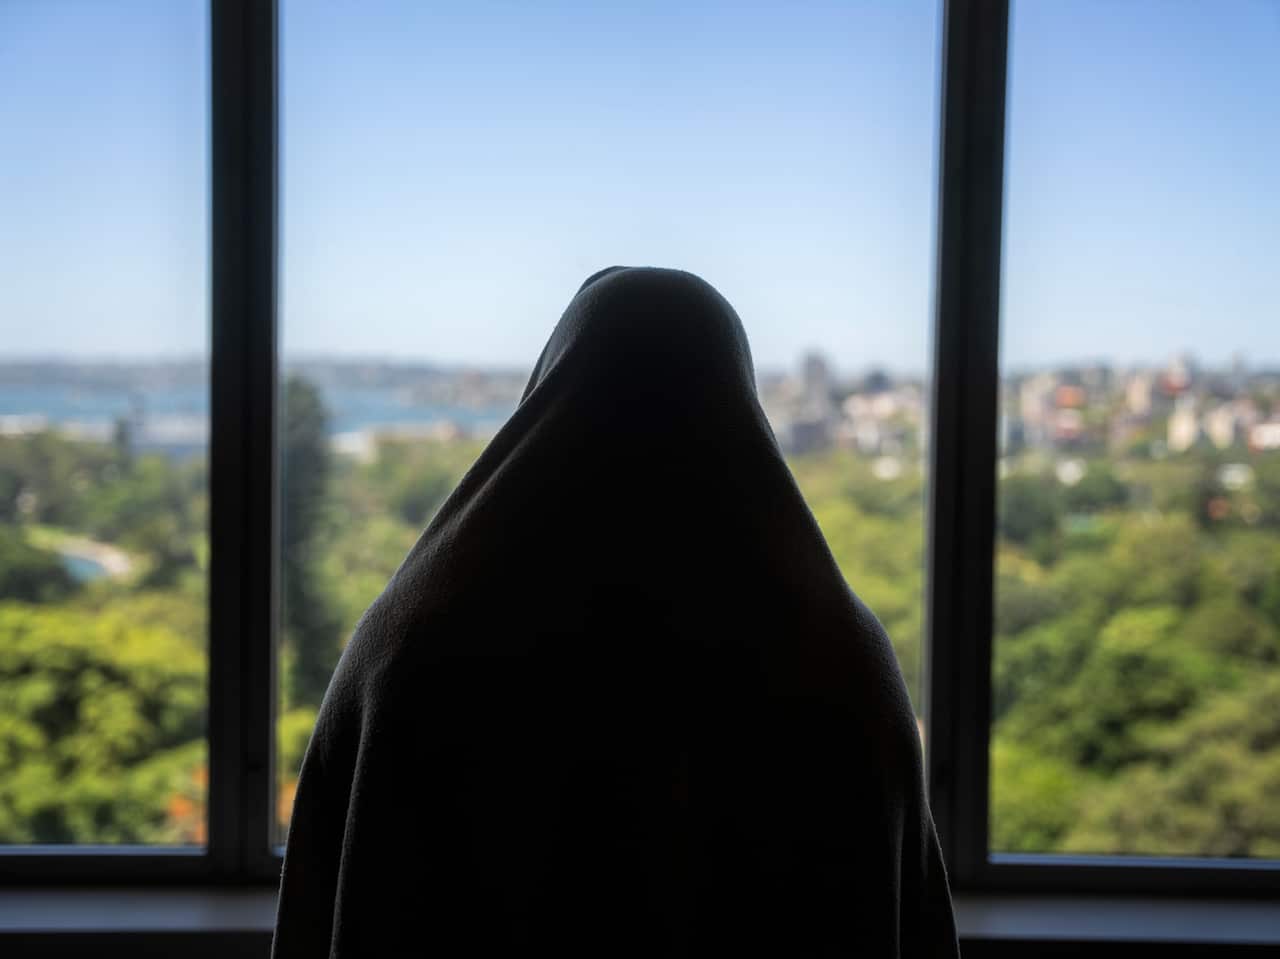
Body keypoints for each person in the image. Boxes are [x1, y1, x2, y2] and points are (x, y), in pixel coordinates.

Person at [272, 267, 958, 957]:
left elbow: (332, 895)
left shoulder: (408, 648)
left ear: (548, 391)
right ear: (738, 408)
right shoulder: (840, 659)